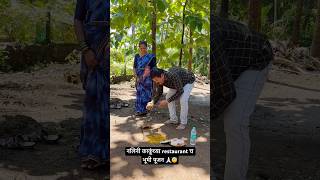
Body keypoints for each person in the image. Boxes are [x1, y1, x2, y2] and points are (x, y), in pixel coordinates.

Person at [211, 16, 273, 180]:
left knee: (235, 123)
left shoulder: (211, 42)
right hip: (234, 62)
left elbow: (226, 92)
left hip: (256, 58)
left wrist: (206, 116)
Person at [74, 0, 109, 169]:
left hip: (111, 48)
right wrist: (85, 50)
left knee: (107, 100)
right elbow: (78, 20)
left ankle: (107, 152)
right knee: (92, 99)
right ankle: (91, 151)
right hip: (91, 48)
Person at [133, 41, 156, 116]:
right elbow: (134, 67)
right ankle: (139, 110)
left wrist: (149, 75)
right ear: (139, 48)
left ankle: (147, 110)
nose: (143, 49)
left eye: (144, 48)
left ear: (147, 47)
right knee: (139, 93)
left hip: (148, 78)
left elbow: (154, 68)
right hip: (139, 77)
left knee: (147, 93)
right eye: (141, 48)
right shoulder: (136, 56)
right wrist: (136, 77)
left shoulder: (151, 56)